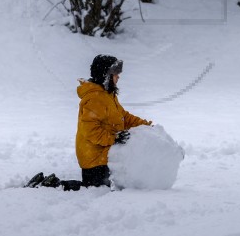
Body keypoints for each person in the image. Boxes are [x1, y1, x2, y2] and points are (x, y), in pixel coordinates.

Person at [25, 55, 151, 190]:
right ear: (106, 75)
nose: (118, 77)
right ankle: (52, 185)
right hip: (93, 156)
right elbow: (90, 130)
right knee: (92, 190)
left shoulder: (107, 95)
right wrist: (114, 138)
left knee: (98, 188)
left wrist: (146, 125)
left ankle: (51, 184)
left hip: (103, 152)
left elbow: (123, 117)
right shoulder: (95, 98)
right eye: (115, 74)